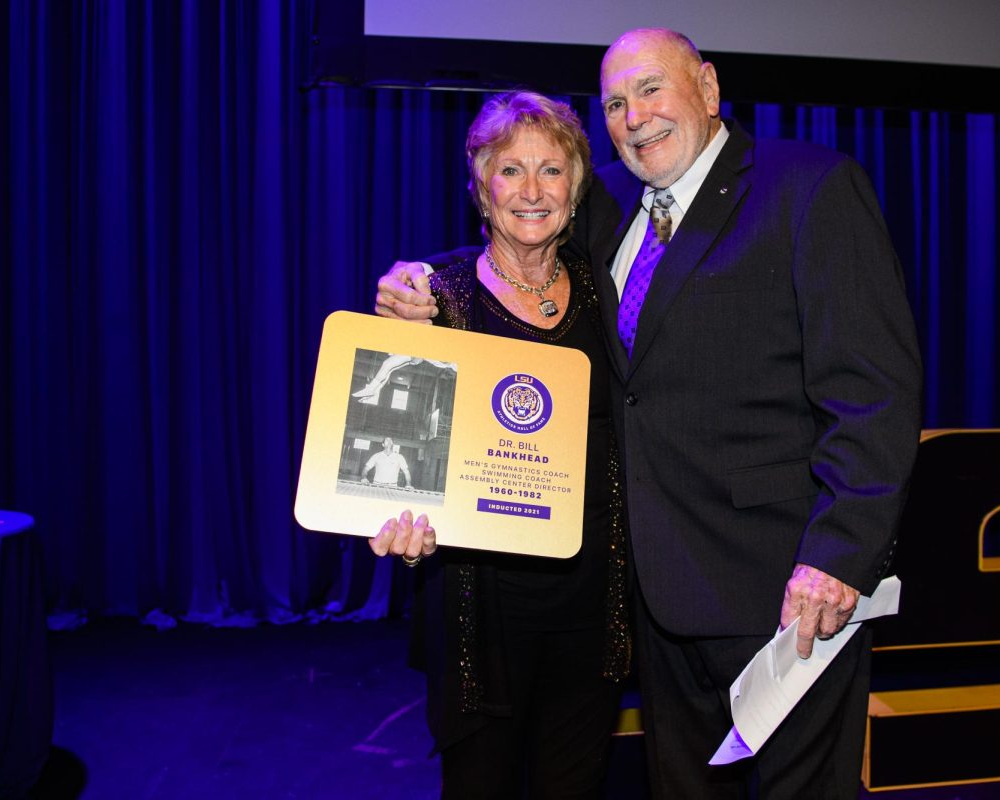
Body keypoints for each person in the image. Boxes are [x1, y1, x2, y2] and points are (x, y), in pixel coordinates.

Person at [376, 29, 922, 799]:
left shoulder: (809, 188)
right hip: (653, 600)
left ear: (706, 87)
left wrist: (838, 557)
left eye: (651, 90)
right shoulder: (609, 209)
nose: (635, 117)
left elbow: (875, 392)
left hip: (785, 589)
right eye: (615, 105)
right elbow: (518, 232)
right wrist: (419, 279)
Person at [367, 91, 630, 799]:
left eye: (553, 169)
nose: (533, 190)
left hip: (592, 597)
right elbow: (394, 449)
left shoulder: (610, 296)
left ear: (577, 191)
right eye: (511, 170)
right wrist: (396, 516)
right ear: (480, 188)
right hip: (478, 606)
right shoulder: (433, 298)